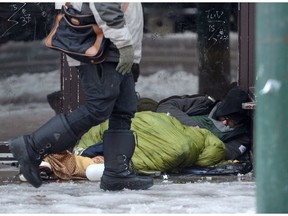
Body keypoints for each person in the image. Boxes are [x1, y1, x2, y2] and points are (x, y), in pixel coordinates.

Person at [9, 2, 153, 191]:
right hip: (104, 45)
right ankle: (32, 146)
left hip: (115, 44)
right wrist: (124, 43)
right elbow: (105, 5)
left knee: (124, 108)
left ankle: (117, 173)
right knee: (98, 107)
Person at [156, 86, 252, 160]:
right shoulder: (204, 104)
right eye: (224, 117)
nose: (224, 123)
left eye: (232, 122)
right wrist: (193, 126)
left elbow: (229, 152)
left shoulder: (242, 136)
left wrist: (203, 140)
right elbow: (165, 107)